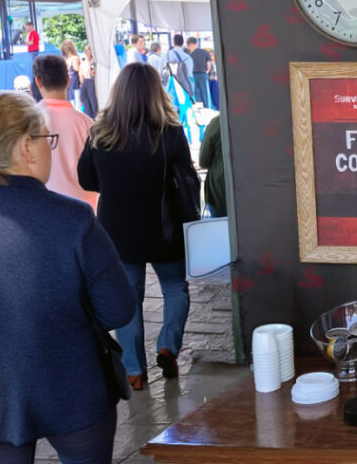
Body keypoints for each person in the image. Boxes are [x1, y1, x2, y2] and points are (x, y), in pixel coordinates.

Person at [0, 90, 135, 464]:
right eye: (46, 139)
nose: (49, 149)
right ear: (26, 148)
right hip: (73, 382)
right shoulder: (73, 218)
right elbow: (118, 309)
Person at [78, 62, 195, 390]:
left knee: (128, 297)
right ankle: (167, 345)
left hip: (117, 231)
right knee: (175, 288)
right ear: (156, 92)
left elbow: (85, 178)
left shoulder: (100, 133)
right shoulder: (170, 132)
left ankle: (133, 370)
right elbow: (186, 178)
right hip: (164, 228)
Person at [33, 54, 98, 211]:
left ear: (37, 81)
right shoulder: (88, 124)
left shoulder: (27, 123)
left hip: (43, 211)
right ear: (68, 80)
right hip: (86, 211)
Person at [199, 114, 227, 217]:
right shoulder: (255, 120)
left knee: (221, 230)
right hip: (253, 190)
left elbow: (203, 161)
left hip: (220, 192)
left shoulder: (217, 123)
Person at [188, 37, 211, 107]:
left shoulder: (189, 55)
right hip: (203, 75)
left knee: (195, 94)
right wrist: (207, 71)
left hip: (193, 75)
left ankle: (199, 109)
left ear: (190, 44)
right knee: (205, 93)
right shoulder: (205, 52)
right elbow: (209, 66)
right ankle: (208, 108)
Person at [79, 45, 99, 119]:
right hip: (85, 83)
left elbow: (93, 72)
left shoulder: (94, 62)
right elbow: (81, 74)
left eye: (88, 50)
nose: (86, 52)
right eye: (85, 50)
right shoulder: (83, 62)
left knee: (94, 104)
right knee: (85, 103)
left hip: (91, 82)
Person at [61, 39, 82, 107]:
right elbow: (76, 68)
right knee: (77, 100)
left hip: (68, 82)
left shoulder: (65, 59)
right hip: (75, 82)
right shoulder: (75, 58)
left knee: (71, 99)